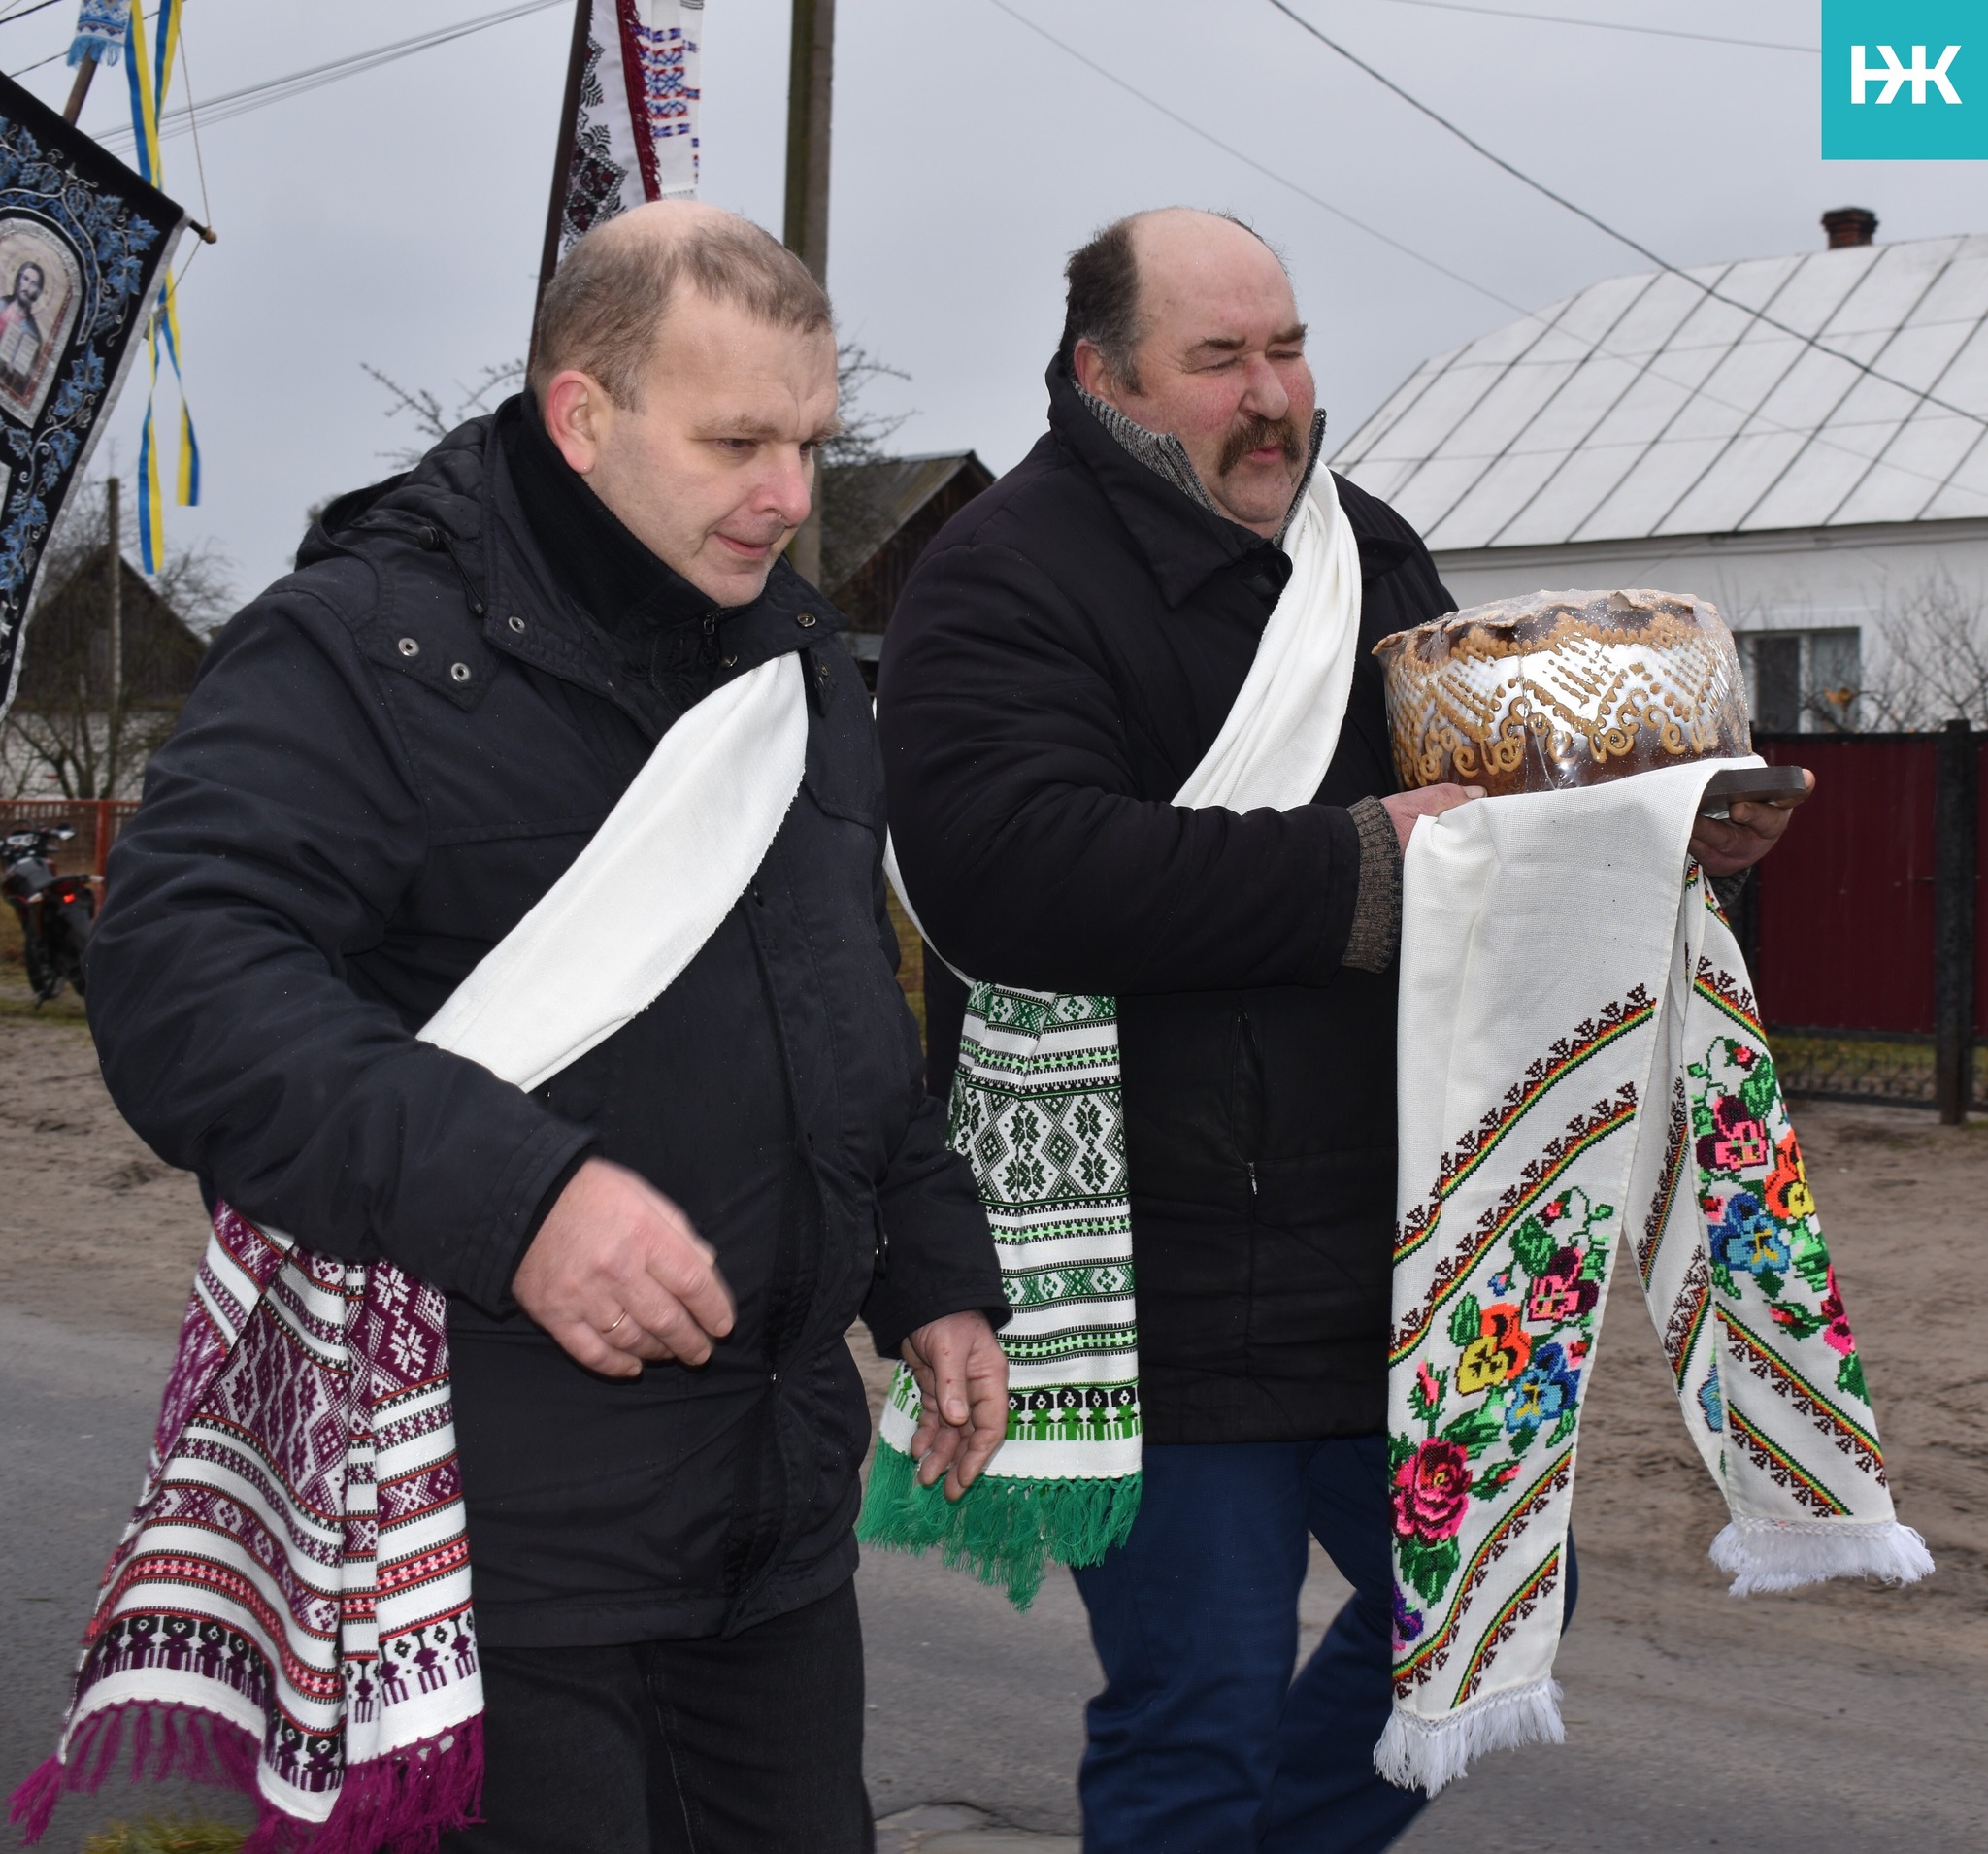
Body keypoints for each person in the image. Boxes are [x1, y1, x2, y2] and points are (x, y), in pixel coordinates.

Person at [85, 201, 1009, 1854]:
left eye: (810, 439)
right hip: (494, 1537)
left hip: (773, 1527)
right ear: (583, 416)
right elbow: (182, 980)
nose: (793, 496)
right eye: (737, 439)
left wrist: (929, 1269)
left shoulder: (796, 661)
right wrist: (520, 1197)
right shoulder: (361, 645)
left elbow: (841, 1015)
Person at [876, 207, 1801, 1852]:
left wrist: (1663, 830)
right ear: (1102, 377)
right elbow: (1009, 871)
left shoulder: (1356, 549)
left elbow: (1496, 806)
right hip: (1153, 1277)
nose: (1272, 394)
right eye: (1218, 359)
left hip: (1388, 1260)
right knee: (1194, 1719)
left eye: (1287, 348)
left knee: (1491, 1613)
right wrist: (1361, 866)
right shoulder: (995, 578)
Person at [0, 258, 47, 396]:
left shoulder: (32, 334)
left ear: (37, 292)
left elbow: (22, 381)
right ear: (18, 279)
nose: (27, 288)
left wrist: (14, 372)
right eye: (25, 279)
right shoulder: (1, 304)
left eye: (34, 284)